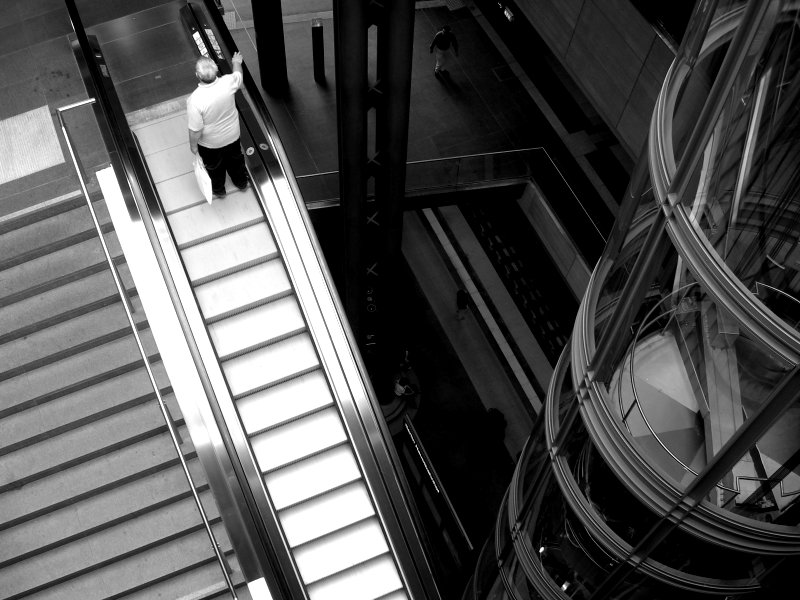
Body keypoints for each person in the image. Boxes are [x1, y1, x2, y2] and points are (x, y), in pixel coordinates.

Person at [187, 52, 248, 199]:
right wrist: (236, 62)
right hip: (233, 135)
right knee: (236, 159)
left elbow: (196, 129)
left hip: (210, 144)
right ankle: (241, 182)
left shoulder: (195, 100)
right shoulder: (228, 82)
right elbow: (238, 76)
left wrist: (193, 146)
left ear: (197, 75)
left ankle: (219, 189)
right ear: (216, 70)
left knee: (214, 167)